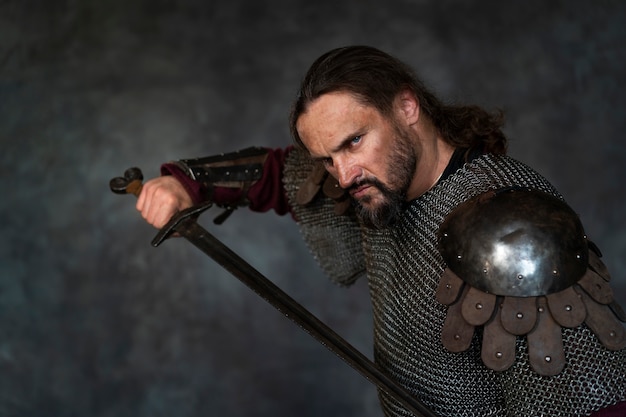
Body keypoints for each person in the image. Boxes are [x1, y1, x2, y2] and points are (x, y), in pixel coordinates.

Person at [136, 46, 626, 417]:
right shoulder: (375, 186)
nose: (343, 174)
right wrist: (187, 184)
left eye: (354, 142)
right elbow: (283, 176)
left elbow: (591, 399)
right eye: (328, 157)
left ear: (407, 107)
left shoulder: (511, 226)